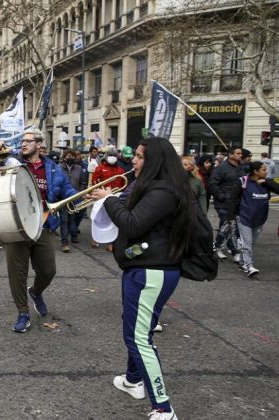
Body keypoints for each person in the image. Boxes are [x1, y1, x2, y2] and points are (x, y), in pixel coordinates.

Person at [89, 137, 193, 420]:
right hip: (144, 267)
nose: (132, 160)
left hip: (151, 271)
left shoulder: (164, 191)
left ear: (155, 161)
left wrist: (108, 200)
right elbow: (130, 209)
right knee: (135, 330)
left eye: (139, 156)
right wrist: (110, 198)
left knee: (139, 339)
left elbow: (133, 223)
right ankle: (134, 381)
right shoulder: (152, 186)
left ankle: (163, 407)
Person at [5, 128, 78, 333]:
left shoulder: (53, 169)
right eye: (22, 141)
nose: (23, 144)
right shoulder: (13, 164)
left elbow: (67, 190)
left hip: (43, 226)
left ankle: (36, 292)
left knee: (48, 270)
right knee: (17, 273)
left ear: (39, 144)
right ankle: (23, 313)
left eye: (28, 141)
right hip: (16, 226)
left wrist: (82, 196)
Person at [234, 161, 279, 276]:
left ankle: (242, 262)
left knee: (251, 242)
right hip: (244, 217)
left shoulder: (267, 182)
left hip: (259, 219)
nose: (266, 171)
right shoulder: (243, 181)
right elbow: (233, 198)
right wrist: (231, 216)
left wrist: (266, 183)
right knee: (248, 242)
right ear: (255, 171)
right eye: (264, 170)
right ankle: (249, 266)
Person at [209, 146, 244, 262]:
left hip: (237, 203)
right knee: (228, 225)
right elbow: (213, 184)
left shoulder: (241, 168)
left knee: (228, 226)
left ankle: (217, 246)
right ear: (231, 155)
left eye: (241, 153)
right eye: (238, 153)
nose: (241, 155)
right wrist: (222, 196)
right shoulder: (221, 168)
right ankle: (234, 251)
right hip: (224, 203)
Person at [59, 149, 87, 252]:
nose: (69, 158)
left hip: (76, 197)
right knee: (64, 219)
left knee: (74, 218)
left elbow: (83, 183)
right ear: (64, 157)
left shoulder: (79, 169)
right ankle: (65, 242)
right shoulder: (59, 168)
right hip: (63, 198)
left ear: (75, 157)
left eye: (72, 156)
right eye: (68, 156)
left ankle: (74, 234)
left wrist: (82, 193)